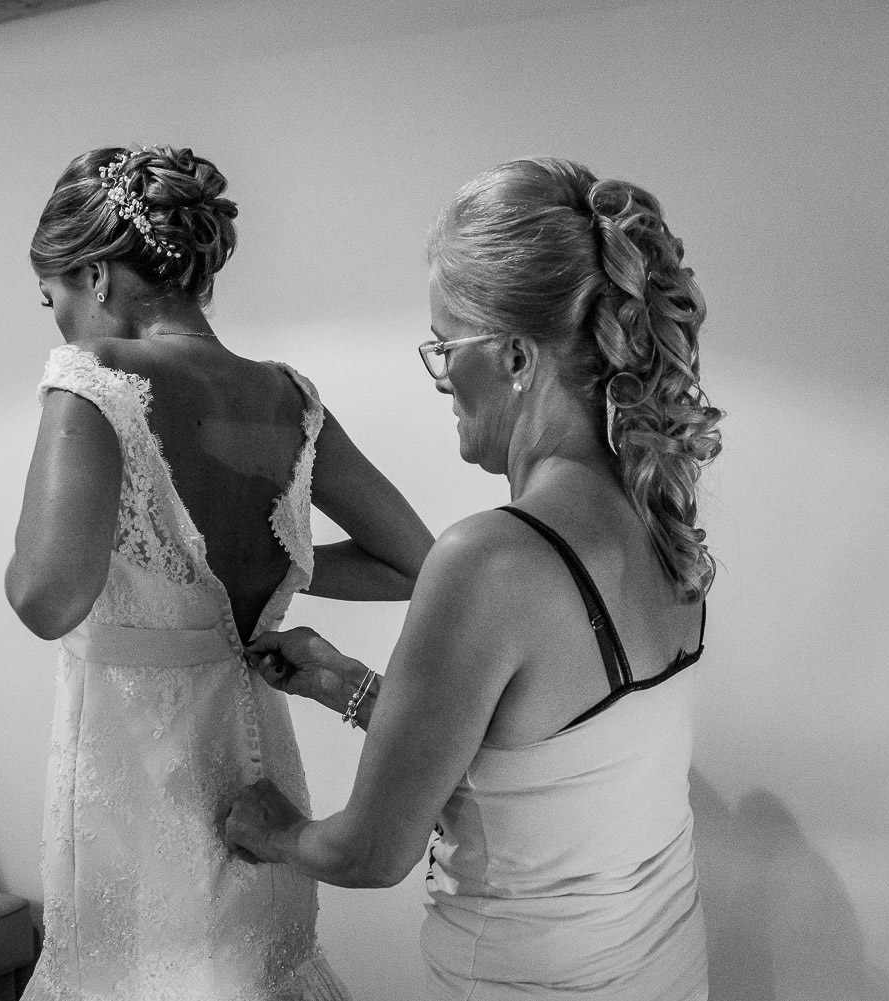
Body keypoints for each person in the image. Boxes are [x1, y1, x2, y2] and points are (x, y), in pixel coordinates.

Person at [225, 157, 723, 999]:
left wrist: (274, 830)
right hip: (666, 970)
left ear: (517, 356)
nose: (440, 377)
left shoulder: (488, 560)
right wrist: (349, 685)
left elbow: (372, 851)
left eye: (443, 346)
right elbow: (545, 769)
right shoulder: (661, 521)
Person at [5, 145, 433, 1000]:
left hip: (134, 783)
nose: (54, 320)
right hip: (253, 770)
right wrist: (274, 556)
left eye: (50, 296)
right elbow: (413, 560)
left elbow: (45, 597)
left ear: (95, 276)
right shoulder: (290, 398)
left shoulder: (93, 381)